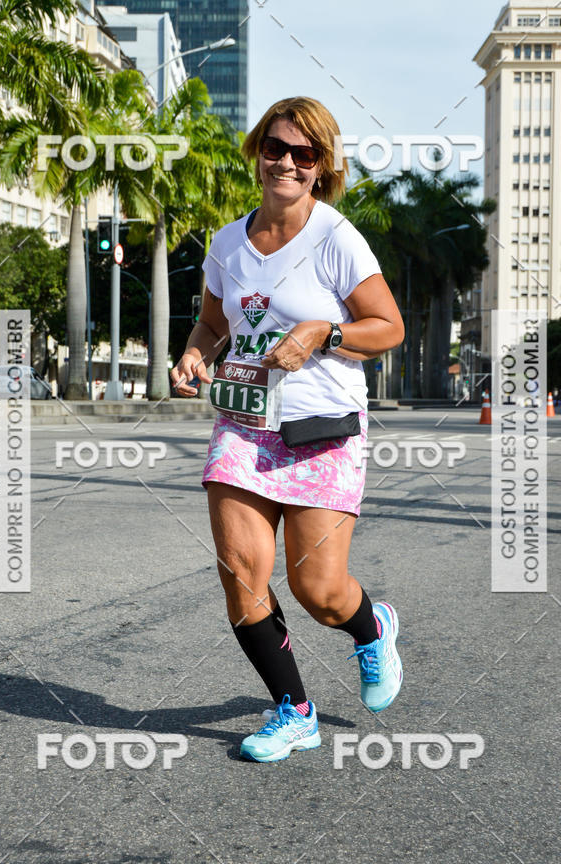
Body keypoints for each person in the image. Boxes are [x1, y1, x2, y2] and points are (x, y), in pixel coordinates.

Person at [170, 97, 405, 763]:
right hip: (245, 425)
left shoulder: (335, 239)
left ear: (321, 167)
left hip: (322, 427)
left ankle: (371, 626)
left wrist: (324, 333)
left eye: (304, 154)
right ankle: (294, 712)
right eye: (276, 147)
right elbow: (214, 325)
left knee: (319, 591)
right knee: (242, 574)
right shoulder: (226, 243)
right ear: (258, 151)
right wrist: (195, 352)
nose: (287, 163)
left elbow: (387, 327)